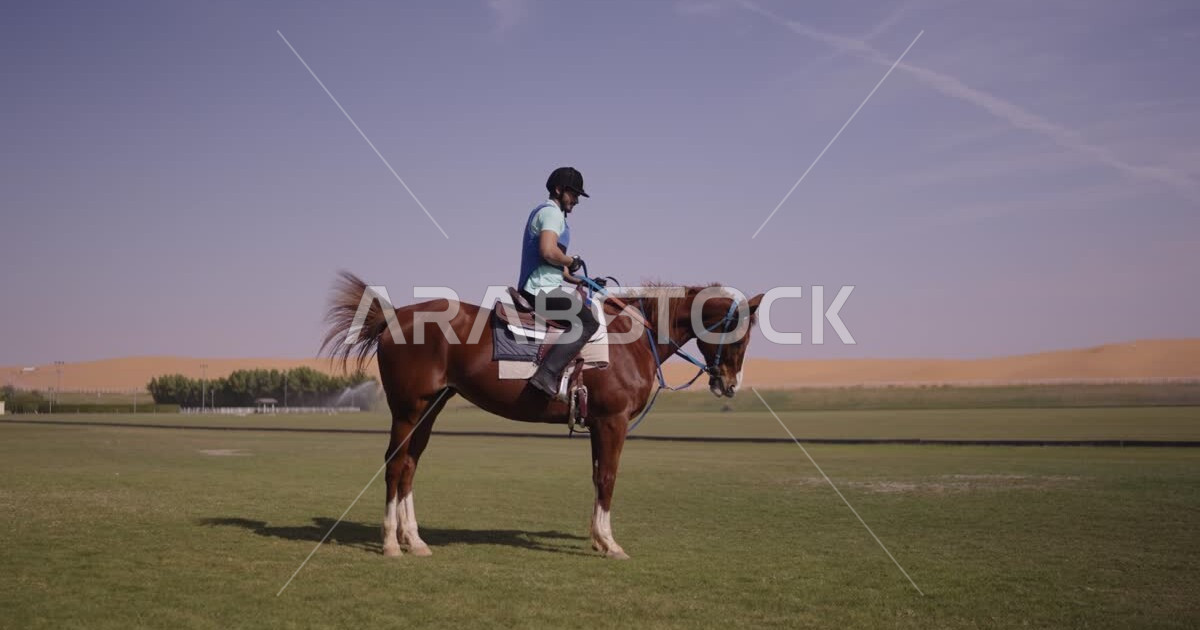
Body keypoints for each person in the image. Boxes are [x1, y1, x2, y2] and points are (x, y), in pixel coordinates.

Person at [518, 166, 601, 398]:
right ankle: (546, 374)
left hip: (545, 285)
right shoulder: (552, 213)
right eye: (573, 194)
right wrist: (570, 260)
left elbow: (557, 267)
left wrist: (583, 281)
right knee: (588, 322)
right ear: (558, 190)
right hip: (539, 291)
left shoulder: (551, 214)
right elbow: (547, 251)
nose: (576, 200)